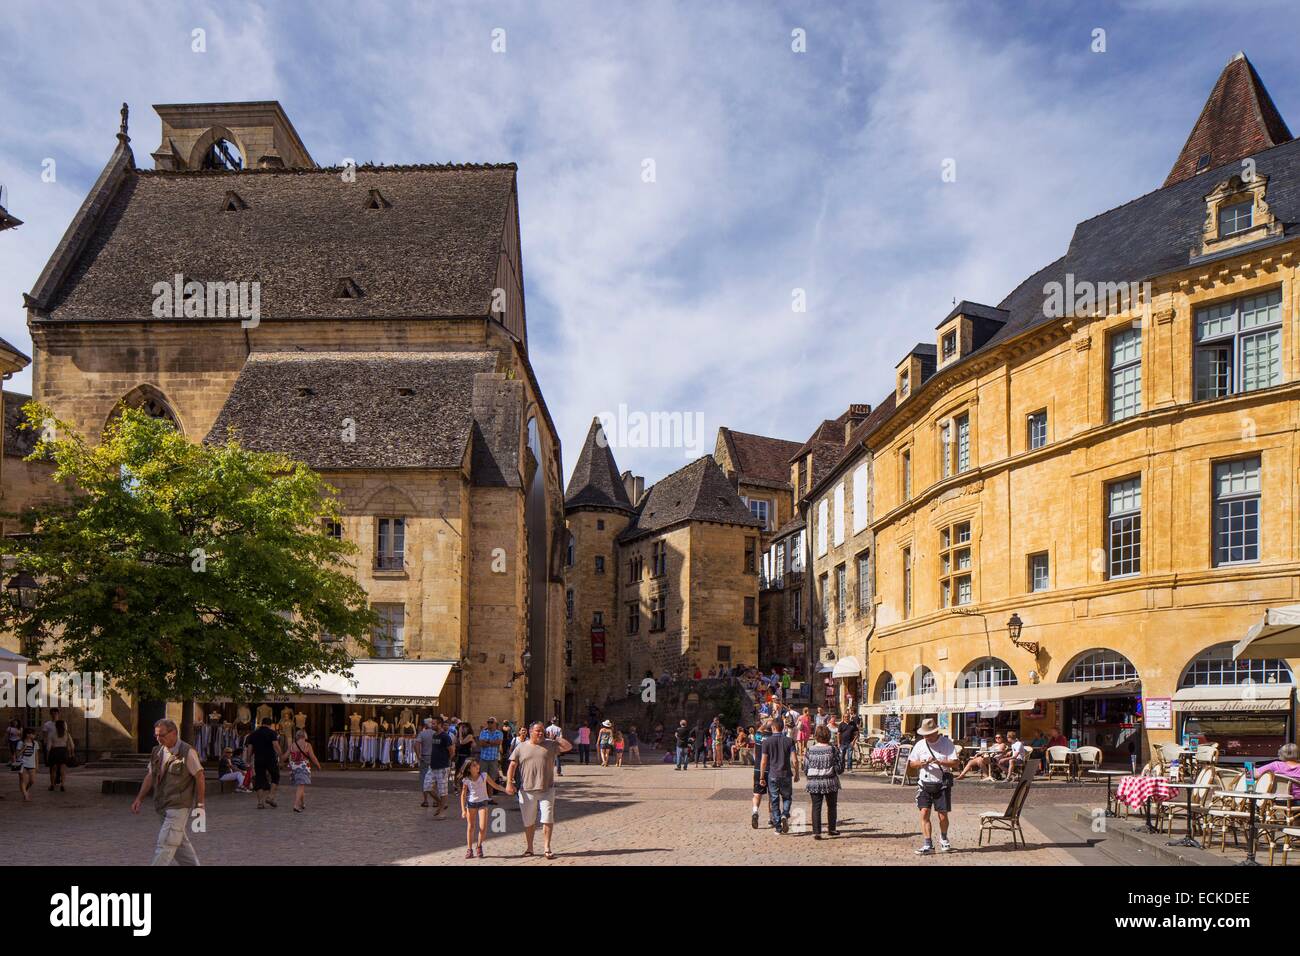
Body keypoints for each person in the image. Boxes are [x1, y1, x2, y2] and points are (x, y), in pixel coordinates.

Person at [132, 718, 205, 866]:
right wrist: (139, 798)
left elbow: (200, 776)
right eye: (156, 735)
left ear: (174, 733)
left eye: (162, 735)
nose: (159, 739)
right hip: (162, 805)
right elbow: (150, 775)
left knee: (166, 844)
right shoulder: (157, 751)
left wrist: (200, 803)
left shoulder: (187, 751)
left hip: (178, 805)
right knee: (179, 845)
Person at [505, 721, 573, 859]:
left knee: (547, 818)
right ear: (531, 732)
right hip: (526, 789)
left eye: (542, 730)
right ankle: (529, 848)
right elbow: (512, 766)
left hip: (547, 789)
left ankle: (547, 848)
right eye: (538, 731)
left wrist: (556, 738)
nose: (541, 733)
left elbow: (568, 747)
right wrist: (509, 783)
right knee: (529, 822)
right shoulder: (521, 747)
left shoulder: (551, 744)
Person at [908, 717, 958, 855]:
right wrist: (922, 763)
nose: (927, 737)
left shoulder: (946, 743)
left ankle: (943, 837)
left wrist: (940, 762)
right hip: (924, 783)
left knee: (942, 815)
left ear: (936, 732)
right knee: (924, 813)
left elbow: (955, 762)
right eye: (925, 734)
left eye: (929, 734)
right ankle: (928, 844)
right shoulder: (920, 744)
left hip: (941, 784)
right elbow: (912, 763)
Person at [460, 757, 509, 859]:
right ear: (469, 769)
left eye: (477, 764)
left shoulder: (484, 776)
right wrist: (463, 810)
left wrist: (505, 790)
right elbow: (463, 795)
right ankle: (469, 849)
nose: (477, 766)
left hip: (483, 802)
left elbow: (495, 785)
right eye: (474, 765)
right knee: (471, 827)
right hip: (471, 804)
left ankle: (479, 846)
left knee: (483, 827)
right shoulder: (466, 780)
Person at [759, 717, 799, 833]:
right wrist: (796, 773)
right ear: (783, 727)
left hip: (773, 774)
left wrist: (762, 776)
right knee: (787, 797)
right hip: (786, 774)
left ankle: (778, 826)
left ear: (773, 727)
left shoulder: (766, 742)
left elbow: (763, 761)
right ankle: (785, 814)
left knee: (774, 800)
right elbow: (795, 760)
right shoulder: (789, 741)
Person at [804, 724, 843, 839]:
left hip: (814, 781)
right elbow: (839, 767)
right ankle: (832, 829)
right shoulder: (832, 749)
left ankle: (817, 832)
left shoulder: (810, 750)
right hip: (830, 781)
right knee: (831, 806)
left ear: (816, 736)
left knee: (816, 806)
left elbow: (805, 767)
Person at [419, 717, 455, 817]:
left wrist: (447, 761)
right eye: (432, 723)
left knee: (443, 790)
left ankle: (442, 811)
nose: (432, 725)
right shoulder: (434, 735)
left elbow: (452, 751)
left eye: (434, 724)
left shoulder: (445, 736)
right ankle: (441, 804)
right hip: (432, 766)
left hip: (442, 767)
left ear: (439, 724)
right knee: (427, 787)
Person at [244, 715, 282, 809]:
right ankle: (270, 797)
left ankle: (260, 803)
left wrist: (248, 760)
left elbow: (249, 748)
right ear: (270, 724)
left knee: (259, 779)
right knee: (275, 776)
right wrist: (281, 757)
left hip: (258, 759)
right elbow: (276, 745)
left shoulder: (253, 734)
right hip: (270, 759)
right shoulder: (272, 733)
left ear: (262, 724)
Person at [285, 729, 322, 812]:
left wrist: (280, 759)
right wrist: (318, 765)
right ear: (304, 736)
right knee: (301, 786)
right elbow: (312, 757)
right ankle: (296, 805)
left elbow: (285, 756)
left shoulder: (292, 745)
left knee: (301, 785)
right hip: (303, 766)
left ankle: (302, 803)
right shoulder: (307, 745)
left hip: (294, 767)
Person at [45, 717, 73, 792]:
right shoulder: (67, 734)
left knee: (53, 770)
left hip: (54, 751)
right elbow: (71, 745)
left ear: (56, 726)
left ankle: (52, 785)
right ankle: (62, 785)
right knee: (62, 770)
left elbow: (48, 746)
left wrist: (47, 756)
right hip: (63, 751)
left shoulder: (52, 734)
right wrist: (70, 753)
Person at [749, 723, 766, 827]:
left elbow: (759, 730)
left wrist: (764, 723)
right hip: (770, 768)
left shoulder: (758, 736)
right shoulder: (773, 738)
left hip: (757, 768)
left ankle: (755, 811)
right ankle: (771, 819)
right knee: (772, 795)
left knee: (757, 793)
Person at [477, 717, 504, 784]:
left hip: (493, 759)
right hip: (483, 759)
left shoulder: (499, 733)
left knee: (492, 780)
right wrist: (492, 742)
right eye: (488, 722)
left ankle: (490, 794)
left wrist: (487, 741)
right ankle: (483, 794)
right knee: (482, 778)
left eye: (491, 722)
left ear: (495, 724)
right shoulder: (483, 732)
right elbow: (481, 743)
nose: (489, 723)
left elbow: (498, 742)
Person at [16, 728, 37, 801]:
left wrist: (37, 765)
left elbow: (36, 755)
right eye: (28, 733)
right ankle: (25, 795)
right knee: (22, 780)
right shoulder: (20, 743)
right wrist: (23, 748)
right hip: (22, 763)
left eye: (32, 733)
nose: (30, 735)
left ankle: (25, 789)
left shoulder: (35, 743)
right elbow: (17, 755)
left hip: (32, 764)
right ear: (25, 734)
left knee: (32, 781)